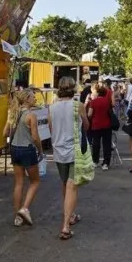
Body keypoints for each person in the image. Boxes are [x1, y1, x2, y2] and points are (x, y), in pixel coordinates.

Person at [48, 77, 85, 240]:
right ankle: (65, 226)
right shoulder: (78, 106)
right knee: (72, 186)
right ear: (74, 89)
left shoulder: (52, 107)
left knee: (66, 184)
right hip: (74, 150)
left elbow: (51, 127)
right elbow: (87, 125)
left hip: (58, 150)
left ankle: (70, 215)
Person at [5, 89, 44, 226]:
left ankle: (17, 216)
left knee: (19, 183)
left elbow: (5, 133)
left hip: (14, 148)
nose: (35, 99)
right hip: (27, 149)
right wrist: (40, 150)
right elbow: (35, 137)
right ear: (27, 99)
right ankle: (24, 209)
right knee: (35, 181)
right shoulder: (31, 116)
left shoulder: (13, 113)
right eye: (33, 97)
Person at [86, 82, 114, 170]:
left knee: (96, 144)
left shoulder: (93, 102)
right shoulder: (107, 102)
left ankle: (95, 161)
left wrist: (92, 116)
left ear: (98, 93)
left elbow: (89, 114)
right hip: (107, 125)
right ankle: (106, 163)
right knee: (107, 144)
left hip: (96, 125)